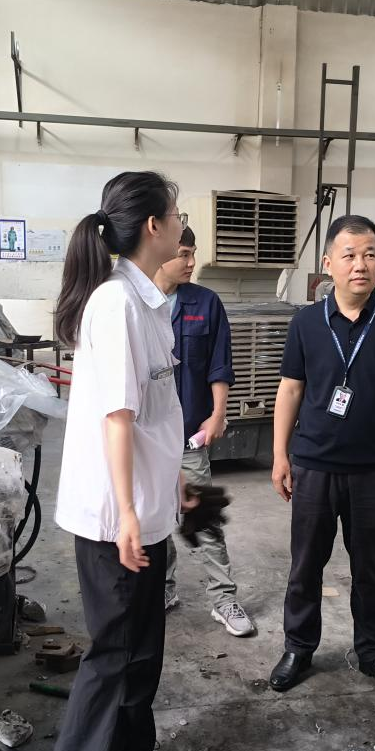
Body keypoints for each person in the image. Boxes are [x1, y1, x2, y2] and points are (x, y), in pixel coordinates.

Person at [44, 171, 194, 751]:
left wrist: (167, 484)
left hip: (145, 508)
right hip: (115, 515)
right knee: (112, 652)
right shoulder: (114, 303)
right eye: (177, 212)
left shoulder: (148, 301)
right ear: (154, 226)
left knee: (144, 646)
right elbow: (117, 417)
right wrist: (129, 512)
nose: (183, 223)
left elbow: (157, 411)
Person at [268, 214, 375, 699]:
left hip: (371, 470)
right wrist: (279, 455)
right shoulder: (306, 323)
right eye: (350, 255)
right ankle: (298, 647)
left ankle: (373, 651)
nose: (361, 265)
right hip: (314, 466)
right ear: (328, 264)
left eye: (370, 254)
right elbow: (290, 389)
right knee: (305, 565)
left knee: (369, 567)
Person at [154, 226, 256, 637]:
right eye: (183, 253)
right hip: (147, 439)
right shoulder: (136, 302)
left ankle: (223, 598)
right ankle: (162, 589)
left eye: (193, 252)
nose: (191, 262)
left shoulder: (205, 302)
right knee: (154, 519)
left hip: (187, 436)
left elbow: (219, 364)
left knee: (202, 516)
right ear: (160, 251)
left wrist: (217, 414)